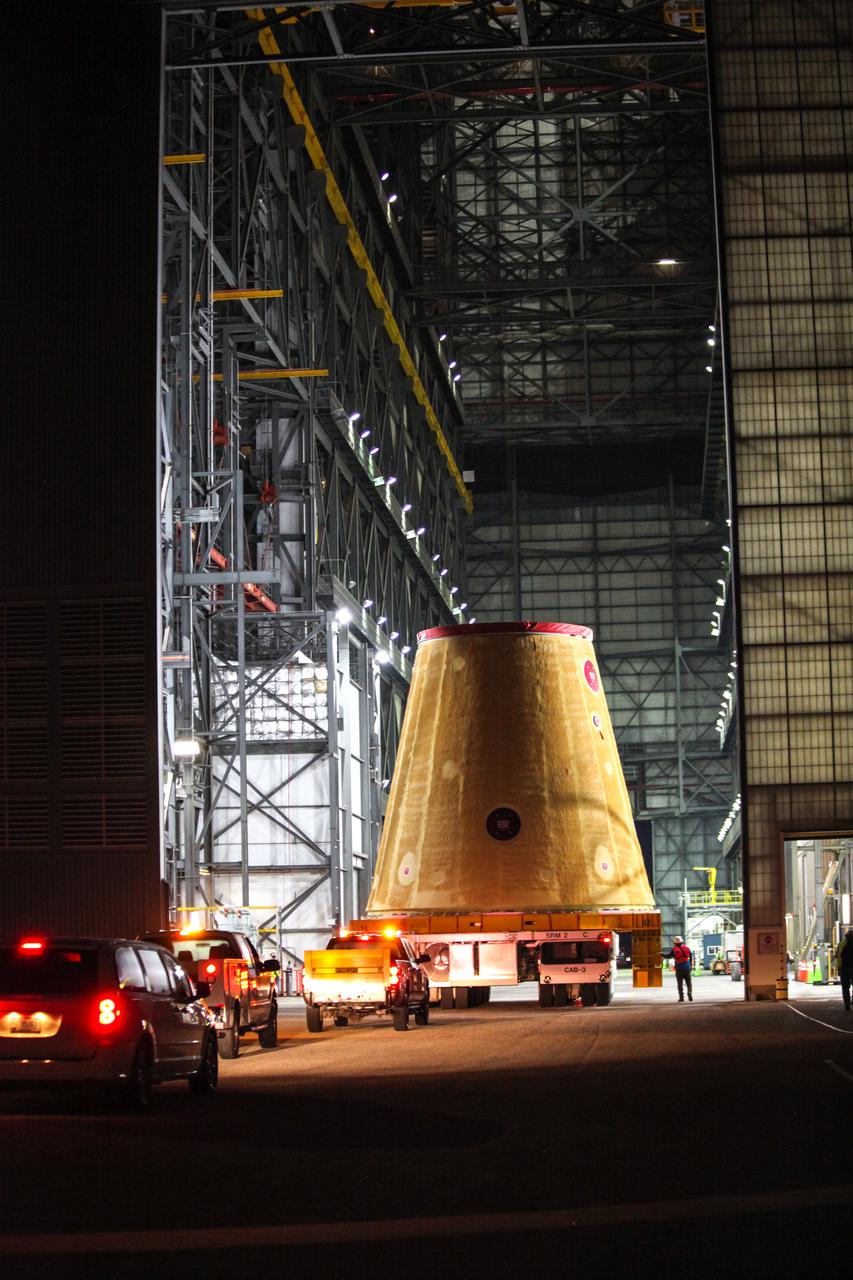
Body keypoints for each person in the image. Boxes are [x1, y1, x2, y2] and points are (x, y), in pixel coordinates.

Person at [662, 935, 694, 1002]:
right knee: (688, 982)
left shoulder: (674, 950)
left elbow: (668, 956)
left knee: (680, 984)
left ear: (675, 943)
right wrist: (690, 965)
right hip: (687, 967)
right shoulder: (687, 948)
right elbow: (691, 957)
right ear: (682, 941)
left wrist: (661, 954)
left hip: (679, 968)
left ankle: (681, 998)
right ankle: (690, 993)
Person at [835, 929, 853, 1013]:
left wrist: (838, 968)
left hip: (844, 968)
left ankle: (847, 1004)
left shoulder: (841, 944)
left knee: (845, 988)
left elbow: (838, 957)